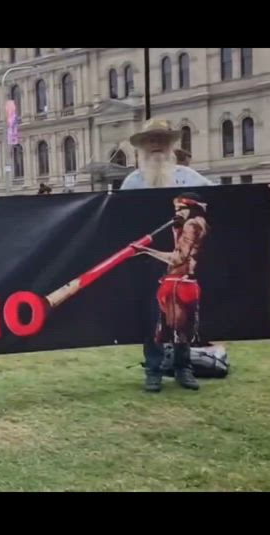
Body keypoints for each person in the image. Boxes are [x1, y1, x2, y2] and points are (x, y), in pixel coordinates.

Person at [120, 118, 213, 392]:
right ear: (142, 146)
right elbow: (120, 216)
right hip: (148, 267)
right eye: (151, 140)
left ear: (170, 144)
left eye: (161, 139)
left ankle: (184, 367)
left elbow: (219, 198)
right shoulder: (132, 182)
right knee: (153, 318)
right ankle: (154, 369)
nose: (156, 145)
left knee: (183, 317)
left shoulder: (191, 178)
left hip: (180, 266)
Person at [132, 193, 209, 390]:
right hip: (170, 280)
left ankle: (179, 369)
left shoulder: (193, 224)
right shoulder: (180, 226)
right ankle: (157, 371)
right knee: (162, 327)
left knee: (177, 327)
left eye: (181, 209)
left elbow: (179, 258)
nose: (177, 213)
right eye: (175, 209)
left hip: (180, 282)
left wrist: (146, 250)